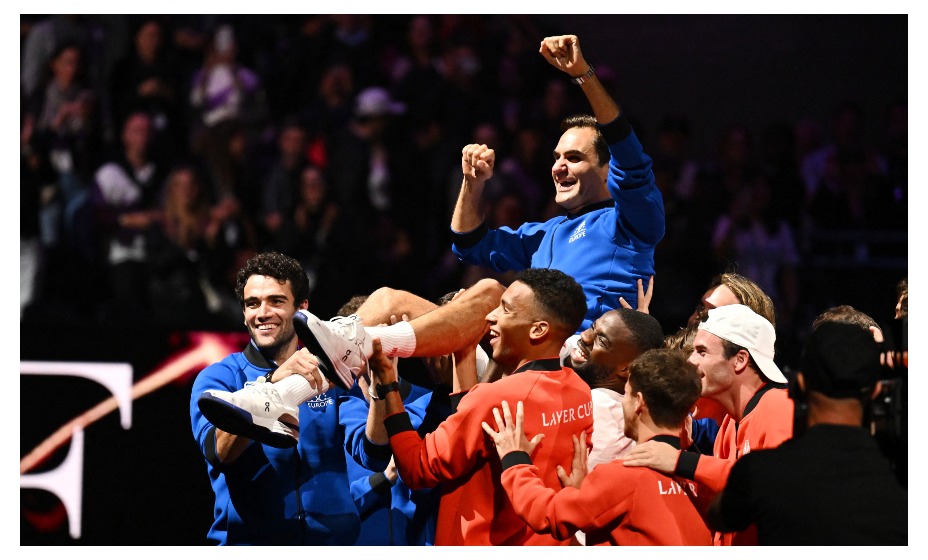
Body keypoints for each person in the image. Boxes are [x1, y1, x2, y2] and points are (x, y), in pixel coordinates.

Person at [450, 34, 664, 331]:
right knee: (393, 301)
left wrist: (583, 75)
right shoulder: (545, 234)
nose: (558, 168)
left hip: (585, 354)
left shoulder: (630, 224)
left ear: (609, 169)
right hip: (532, 349)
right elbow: (469, 244)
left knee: (488, 292)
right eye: (556, 157)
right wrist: (472, 183)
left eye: (574, 158)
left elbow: (629, 155)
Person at [368, 267, 593, 545]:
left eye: (506, 310)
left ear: (538, 329)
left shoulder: (495, 398)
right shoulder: (580, 392)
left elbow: (416, 468)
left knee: (388, 299)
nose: (490, 316)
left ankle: (351, 342)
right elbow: (470, 434)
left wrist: (388, 384)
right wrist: (464, 352)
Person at [189, 251, 391, 545]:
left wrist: (382, 384)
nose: (262, 313)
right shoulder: (219, 377)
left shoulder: (329, 372)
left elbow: (373, 453)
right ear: (244, 313)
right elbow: (219, 454)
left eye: (276, 301)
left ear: (302, 308)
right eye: (252, 304)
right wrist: (271, 384)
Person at [481, 348, 711, 545]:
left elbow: (548, 516)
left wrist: (515, 460)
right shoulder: (702, 479)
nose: (623, 402)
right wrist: (585, 495)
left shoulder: (624, 476)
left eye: (626, 394)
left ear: (639, 402)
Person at [708, 320, 907, 545]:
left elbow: (719, 517)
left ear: (800, 385)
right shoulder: (901, 487)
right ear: (876, 390)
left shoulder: (759, 472)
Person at [622, 303, 793, 546]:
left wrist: (683, 461)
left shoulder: (780, 407)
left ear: (740, 360)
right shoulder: (730, 424)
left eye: (702, 352)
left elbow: (776, 486)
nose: (691, 361)